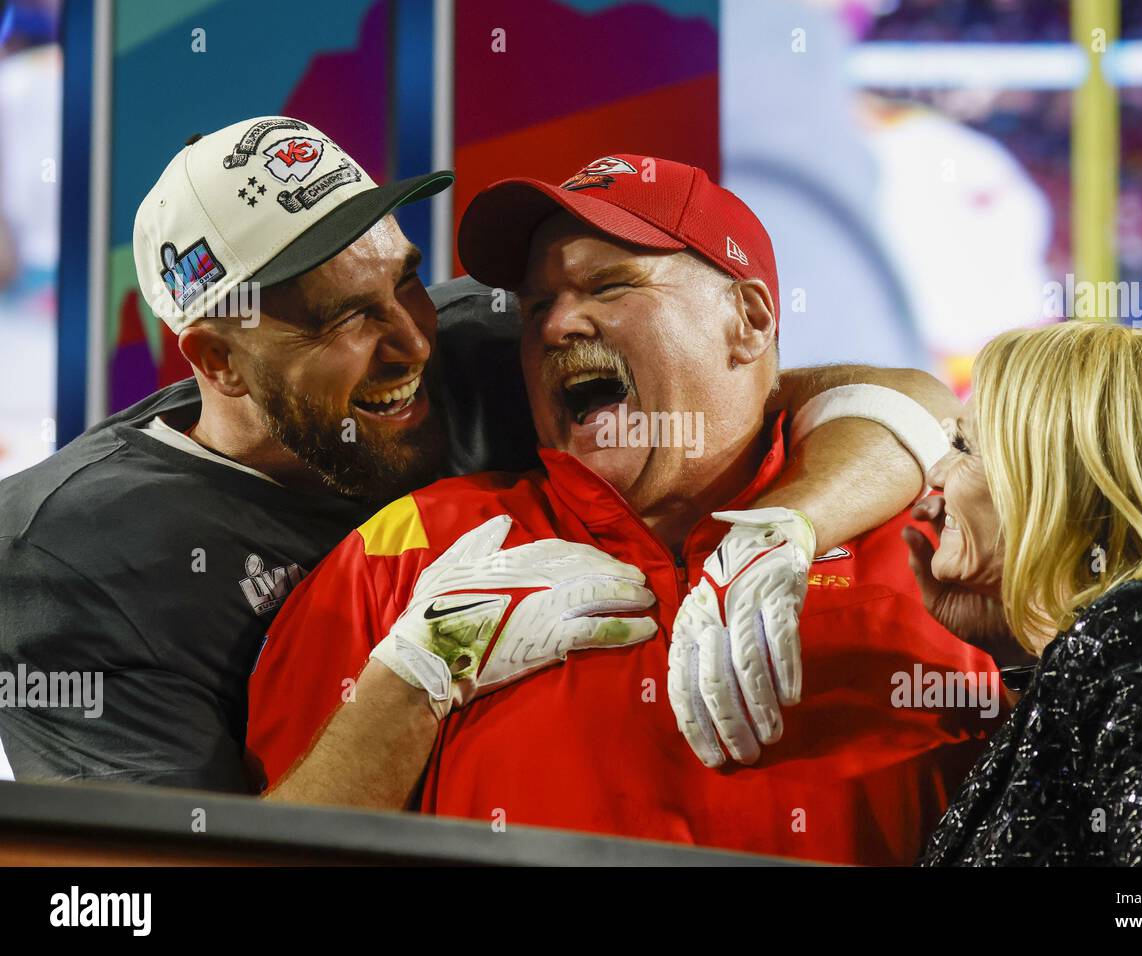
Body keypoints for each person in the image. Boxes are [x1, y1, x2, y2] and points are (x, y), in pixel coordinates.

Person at [0, 119, 957, 792]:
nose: (412, 340)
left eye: (405, 279)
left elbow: (876, 399)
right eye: (346, 317)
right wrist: (421, 673)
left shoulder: (491, 340)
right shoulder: (61, 562)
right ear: (218, 359)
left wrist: (794, 526)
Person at [246, 155, 1003, 866]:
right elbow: (266, 856)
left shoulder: (942, 535)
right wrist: (414, 677)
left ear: (751, 320)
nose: (554, 327)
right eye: (537, 305)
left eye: (608, 287)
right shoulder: (408, 555)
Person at [902, 320, 1142, 865]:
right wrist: (1019, 649)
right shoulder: (1123, 647)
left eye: (964, 445)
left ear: (1062, 478)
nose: (938, 473)